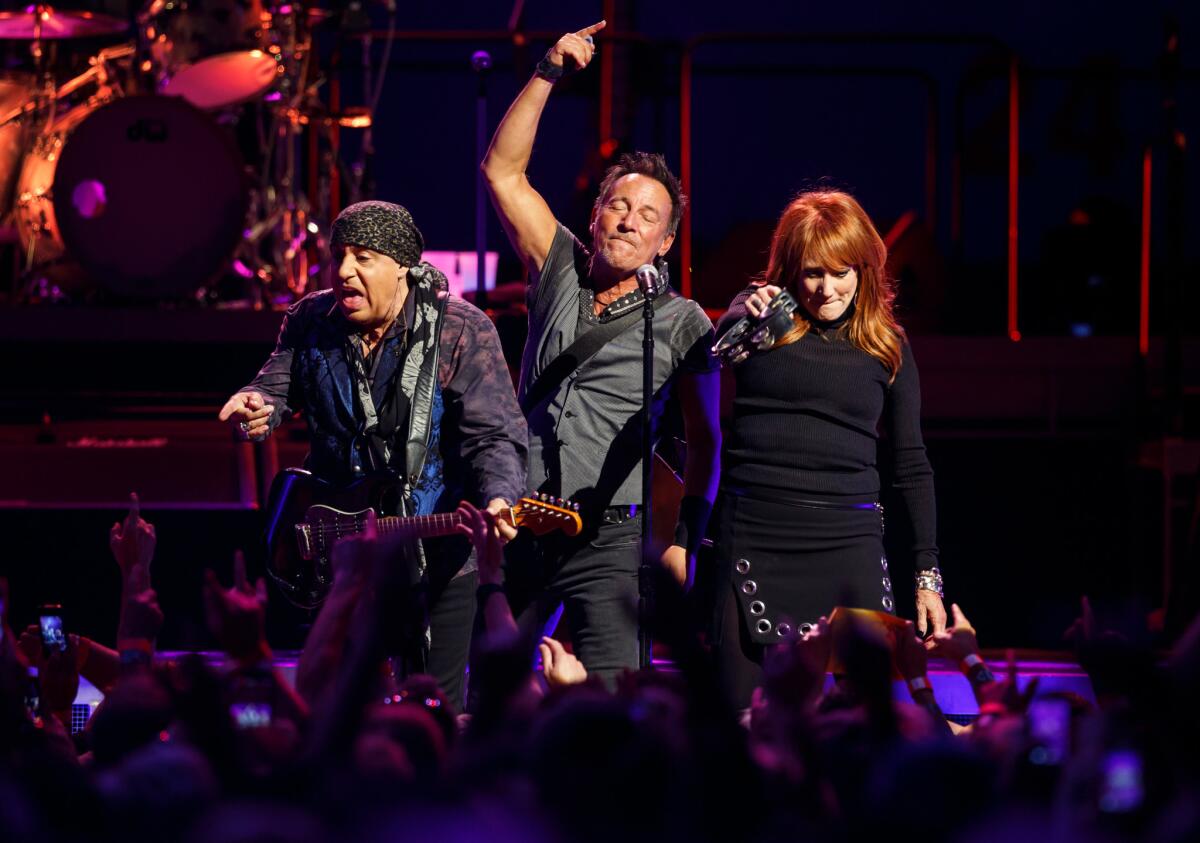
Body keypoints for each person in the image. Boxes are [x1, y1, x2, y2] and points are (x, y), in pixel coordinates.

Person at [481, 20, 721, 685]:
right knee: (491, 687)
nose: (627, 219)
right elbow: (503, 172)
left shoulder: (683, 322)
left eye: (648, 215)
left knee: (615, 695)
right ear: (593, 216)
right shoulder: (559, 267)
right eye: (617, 204)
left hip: (610, 539)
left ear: (666, 242)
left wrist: (683, 543)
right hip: (519, 522)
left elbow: (706, 443)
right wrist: (548, 70)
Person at [218, 200, 528, 708]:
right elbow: (274, 387)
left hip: (439, 553)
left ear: (402, 264)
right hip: (346, 554)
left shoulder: (462, 330)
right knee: (337, 710)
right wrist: (257, 407)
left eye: (363, 256)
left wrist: (499, 497)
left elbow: (494, 434)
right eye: (339, 255)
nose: (343, 271)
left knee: (434, 712)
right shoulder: (311, 319)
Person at [711, 190, 947, 708]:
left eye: (842, 272)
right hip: (755, 535)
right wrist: (739, 314)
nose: (827, 289)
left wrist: (927, 577)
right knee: (735, 722)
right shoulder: (758, 322)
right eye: (813, 273)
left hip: (849, 545)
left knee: (863, 730)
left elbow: (911, 464)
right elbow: (707, 365)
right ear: (791, 270)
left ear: (864, 269)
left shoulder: (888, 344)